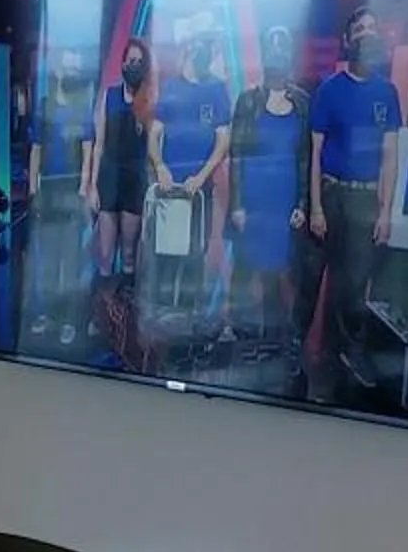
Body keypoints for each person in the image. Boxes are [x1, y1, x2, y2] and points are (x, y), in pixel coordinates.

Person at [307, 6, 403, 396]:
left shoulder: (387, 91)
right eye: (360, 29)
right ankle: (307, 351)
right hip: (330, 194)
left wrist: (386, 211)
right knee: (314, 276)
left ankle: (351, 350)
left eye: (373, 28)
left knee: (355, 282)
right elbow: (314, 151)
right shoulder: (329, 89)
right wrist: (315, 205)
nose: (368, 34)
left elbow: (391, 155)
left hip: (366, 200)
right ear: (348, 40)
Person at [226, 24, 318, 367]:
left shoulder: (303, 104)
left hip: (284, 203)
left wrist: (302, 204)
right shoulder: (247, 100)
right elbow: (236, 154)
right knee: (247, 269)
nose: (277, 52)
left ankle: (275, 342)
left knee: (279, 275)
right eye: (272, 45)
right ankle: (242, 339)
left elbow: (306, 158)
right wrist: (237, 204)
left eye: (283, 45)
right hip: (252, 202)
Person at [143, 33, 233, 339]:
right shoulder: (171, 88)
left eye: (205, 45)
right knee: (166, 253)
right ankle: (162, 315)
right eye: (195, 44)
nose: (200, 50)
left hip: (199, 191)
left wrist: (203, 176)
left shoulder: (218, 90)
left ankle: (190, 317)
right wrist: (160, 167)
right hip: (170, 190)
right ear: (187, 49)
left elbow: (223, 141)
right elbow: (153, 136)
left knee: (196, 253)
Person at [84, 38, 154, 356]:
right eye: (130, 60)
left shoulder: (149, 99)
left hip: (135, 179)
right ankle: (98, 318)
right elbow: (98, 144)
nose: (133, 66)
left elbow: (154, 147)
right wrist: (92, 186)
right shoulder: (109, 95)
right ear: (122, 62)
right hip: (109, 175)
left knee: (128, 253)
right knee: (105, 253)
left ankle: (125, 321)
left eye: (140, 61)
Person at [25, 48, 96, 345]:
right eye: (66, 67)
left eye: (74, 68)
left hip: (71, 193)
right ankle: (48, 316)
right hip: (48, 192)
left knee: (70, 261)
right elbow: (36, 149)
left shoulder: (82, 109)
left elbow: (88, 150)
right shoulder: (44, 107)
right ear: (57, 72)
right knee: (48, 262)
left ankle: (68, 320)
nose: (70, 73)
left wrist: (83, 186)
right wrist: (32, 186)